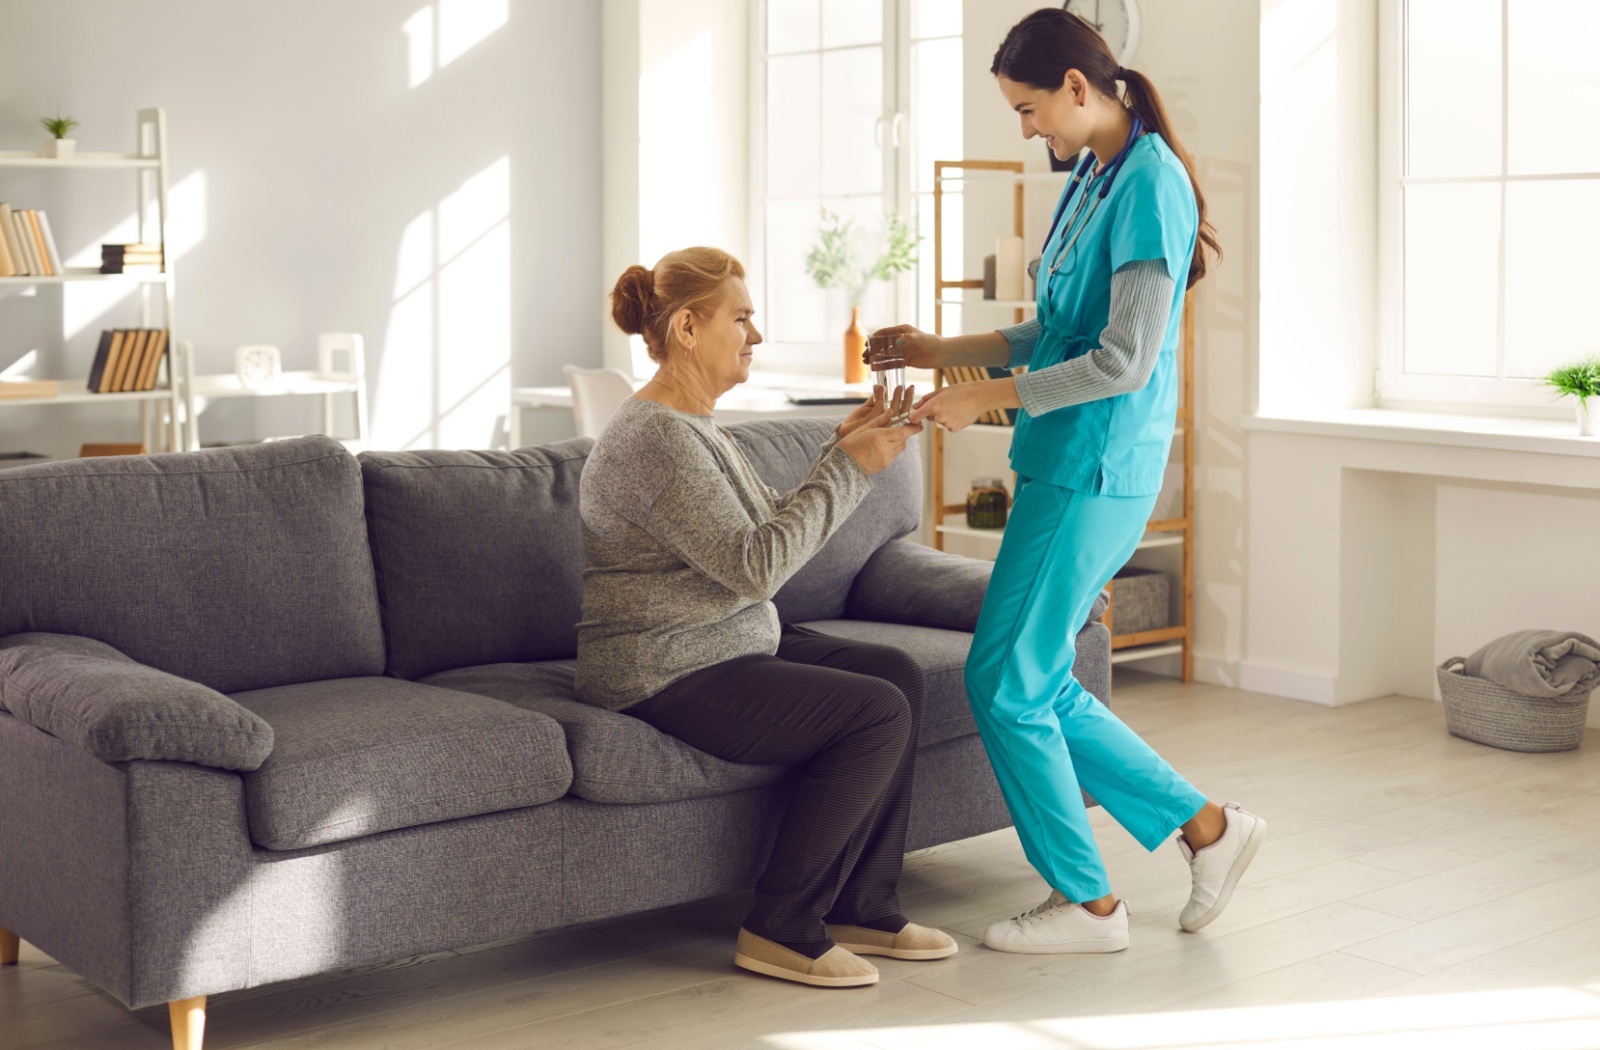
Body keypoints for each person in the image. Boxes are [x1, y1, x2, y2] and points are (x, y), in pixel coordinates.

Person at [870, 9, 1263, 954]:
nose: (1027, 129)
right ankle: (1207, 828)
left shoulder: (1152, 185)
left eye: (1029, 109)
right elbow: (1053, 332)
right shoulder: (1092, 174)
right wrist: (941, 351)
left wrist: (985, 399)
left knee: (1004, 681)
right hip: (1060, 463)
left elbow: (1124, 358)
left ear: (1078, 90)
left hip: (1096, 467)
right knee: (1034, 678)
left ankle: (1088, 905)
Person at [576, 246, 954, 988]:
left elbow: (759, 532)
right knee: (873, 711)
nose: (756, 335)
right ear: (688, 328)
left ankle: (862, 903)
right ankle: (779, 925)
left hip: (722, 644)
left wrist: (840, 449)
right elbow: (758, 565)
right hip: (664, 668)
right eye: (741, 318)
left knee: (896, 673)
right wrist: (852, 469)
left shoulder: (694, 425)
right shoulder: (655, 440)